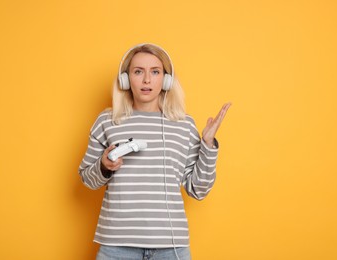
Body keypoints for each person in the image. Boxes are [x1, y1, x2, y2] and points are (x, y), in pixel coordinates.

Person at [78, 43, 231, 260]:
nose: (147, 80)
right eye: (138, 71)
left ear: (166, 80)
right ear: (126, 79)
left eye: (155, 72)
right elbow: (87, 179)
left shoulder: (184, 125)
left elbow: (198, 190)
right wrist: (104, 165)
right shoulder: (107, 121)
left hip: (171, 248)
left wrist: (207, 144)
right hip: (116, 246)